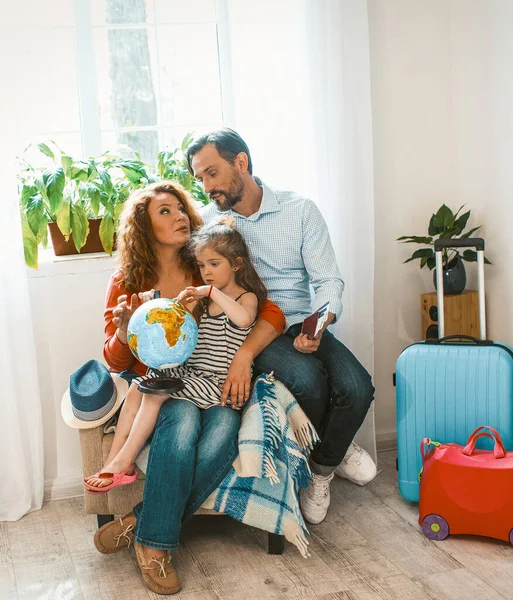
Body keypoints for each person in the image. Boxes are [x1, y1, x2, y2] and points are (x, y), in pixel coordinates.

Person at [94, 181, 285, 595]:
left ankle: (138, 523)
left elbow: (267, 310)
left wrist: (243, 356)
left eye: (181, 206)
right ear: (144, 225)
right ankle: (155, 547)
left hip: (210, 381)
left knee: (221, 434)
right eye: (165, 211)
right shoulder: (128, 278)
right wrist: (127, 330)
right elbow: (114, 360)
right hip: (164, 383)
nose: (180, 214)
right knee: (180, 429)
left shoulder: (204, 262)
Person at [186, 128, 376, 526]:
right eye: (199, 178)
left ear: (241, 162)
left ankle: (325, 465)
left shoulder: (300, 210)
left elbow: (327, 280)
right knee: (308, 382)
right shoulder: (211, 222)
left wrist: (322, 321)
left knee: (359, 387)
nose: (206, 186)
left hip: (302, 322)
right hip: (256, 327)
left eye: (211, 173)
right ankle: (331, 460)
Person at [84, 220, 266, 495]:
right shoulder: (205, 301)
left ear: (237, 264)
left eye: (214, 264)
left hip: (216, 383)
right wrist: (162, 306)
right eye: (202, 266)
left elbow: (244, 320)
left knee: (155, 393)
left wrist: (212, 292)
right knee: (138, 386)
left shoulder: (245, 298)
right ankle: (113, 459)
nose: (206, 273)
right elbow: (177, 322)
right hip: (192, 374)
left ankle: (125, 460)